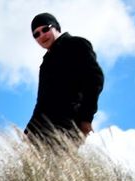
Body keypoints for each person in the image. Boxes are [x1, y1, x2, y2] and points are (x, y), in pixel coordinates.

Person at [24, 12, 104, 146]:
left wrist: (86, 118)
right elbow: (42, 101)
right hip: (41, 131)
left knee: (61, 164)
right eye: (36, 34)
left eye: (45, 29)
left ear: (56, 27)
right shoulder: (45, 64)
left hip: (68, 125)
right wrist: (30, 130)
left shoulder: (76, 44)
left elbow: (95, 80)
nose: (42, 35)